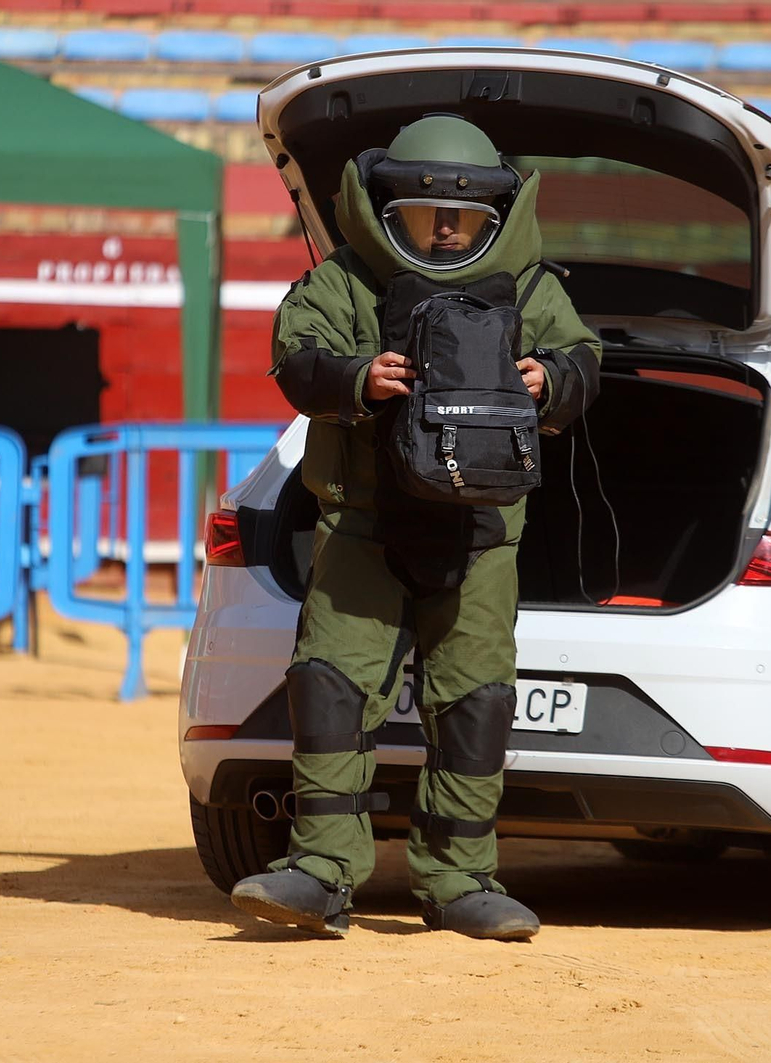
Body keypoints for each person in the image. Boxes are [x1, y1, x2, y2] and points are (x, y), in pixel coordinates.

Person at [229, 114, 600, 941]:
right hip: (363, 528)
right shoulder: (346, 280)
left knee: (476, 704)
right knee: (328, 686)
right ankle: (321, 870)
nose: (443, 230)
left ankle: (460, 880)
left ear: (494, 214)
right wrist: (358, 376)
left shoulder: (533, 287)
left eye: (462, 217)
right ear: (383, 205)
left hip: (481, 538)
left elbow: (585, 358)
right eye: (424, 213)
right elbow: (297, 356)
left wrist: (554, 377)